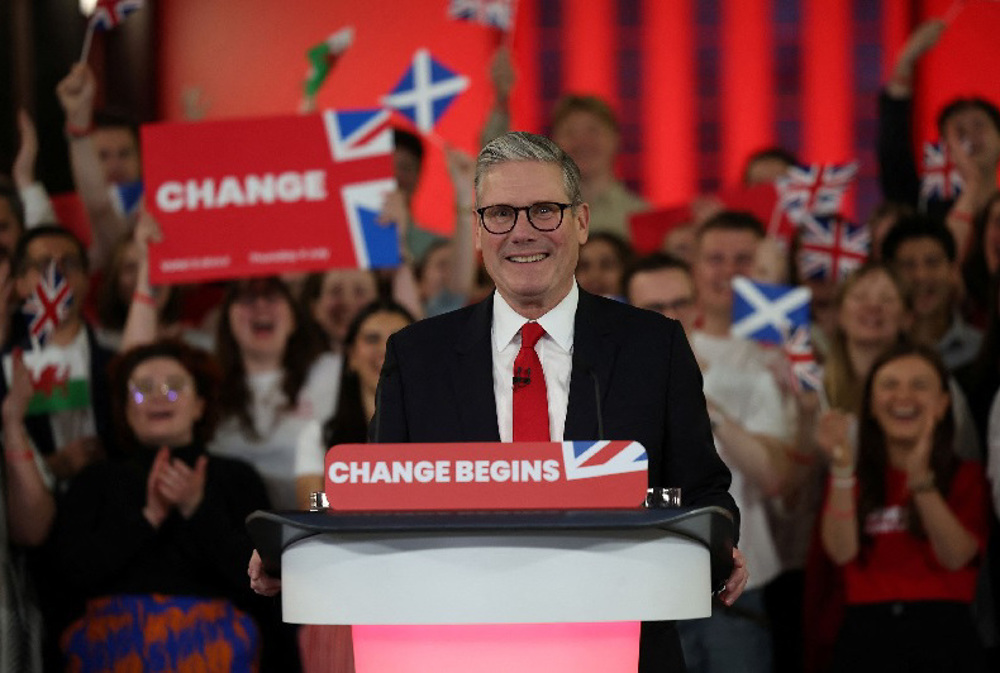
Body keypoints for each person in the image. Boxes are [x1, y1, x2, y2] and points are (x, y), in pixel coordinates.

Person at [252, 131, 746, 672]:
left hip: (620, 646)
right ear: (478, 228)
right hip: (455, 649)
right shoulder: (418, 356)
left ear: (581, 221)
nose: (522, 232)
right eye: (500, 214)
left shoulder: (653, 346)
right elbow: (377, 504)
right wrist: (297, 554)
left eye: (543, 211)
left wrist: (719, 546)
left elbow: (704, 490)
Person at [51, 340, 280, 671]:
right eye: (143, 390)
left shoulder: (236, 477)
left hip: (216, 644)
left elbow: (262, 582)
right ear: (126, 409)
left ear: (200, 405)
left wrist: (197, 508)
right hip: (112, 643)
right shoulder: (96, 479)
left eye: (174, 388)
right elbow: (69, 576)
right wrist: (147, 518)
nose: (159, 396)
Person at [819, 342, 990, 672]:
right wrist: (841, 469)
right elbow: (841, 553)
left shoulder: (967, 477)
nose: (903, 396)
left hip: (944, 636)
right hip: (866, 637)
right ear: (870, 404)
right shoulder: (851, 478)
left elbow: (956, 557)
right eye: (889, 385)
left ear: (942, 404)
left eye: (919, 385)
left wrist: (921, 481)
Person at [295, 300, 415, 673]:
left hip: (419, 589)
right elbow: (313, 505)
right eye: (371, 339)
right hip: (340, 594)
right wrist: (371, 494)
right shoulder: (319, 435)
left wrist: (355, 497)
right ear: (350, 356)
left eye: (396, 339)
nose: (383, 350)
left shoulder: (441, 432)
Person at [878, 19, 1000, 263]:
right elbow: (893, 153)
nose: (971, 137)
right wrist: (905, 63)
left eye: (979, 125)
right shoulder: (923, 209)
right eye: (958, 131)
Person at [881, 215, 982, 371]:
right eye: (908, 265)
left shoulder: (982, 350)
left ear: (953, 270)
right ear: (890, 274)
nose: (921, 276)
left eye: (932, 262)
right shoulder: (877, 348)